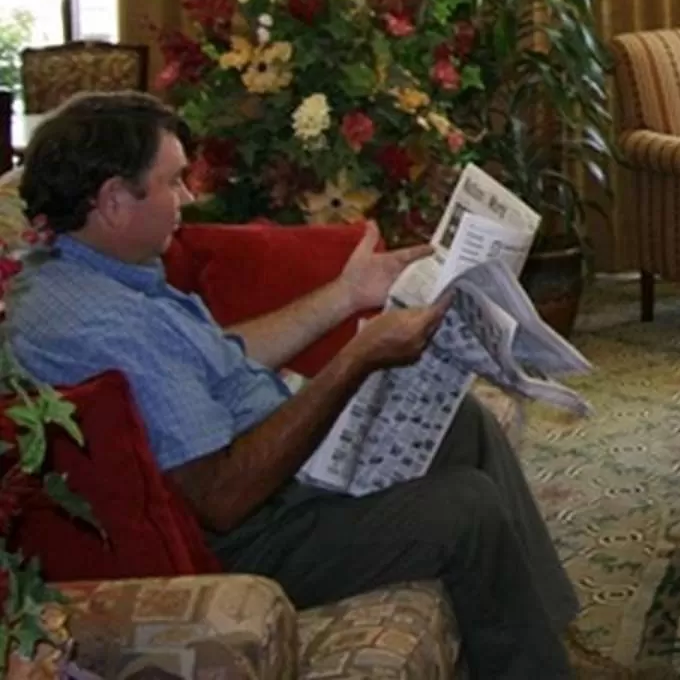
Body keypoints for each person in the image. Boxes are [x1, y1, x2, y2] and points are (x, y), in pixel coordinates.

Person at [3, 92, 645, 680]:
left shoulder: (92, 272)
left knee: (464, 423)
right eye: (173, 182)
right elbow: (222, 498)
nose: (188, 199)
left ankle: (551, 642)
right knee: (466, 509)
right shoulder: (100, 324)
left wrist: (346, 296)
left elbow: (222, 357)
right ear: (114, 200)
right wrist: (356, 360)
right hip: (248, 531)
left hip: (268, 469)